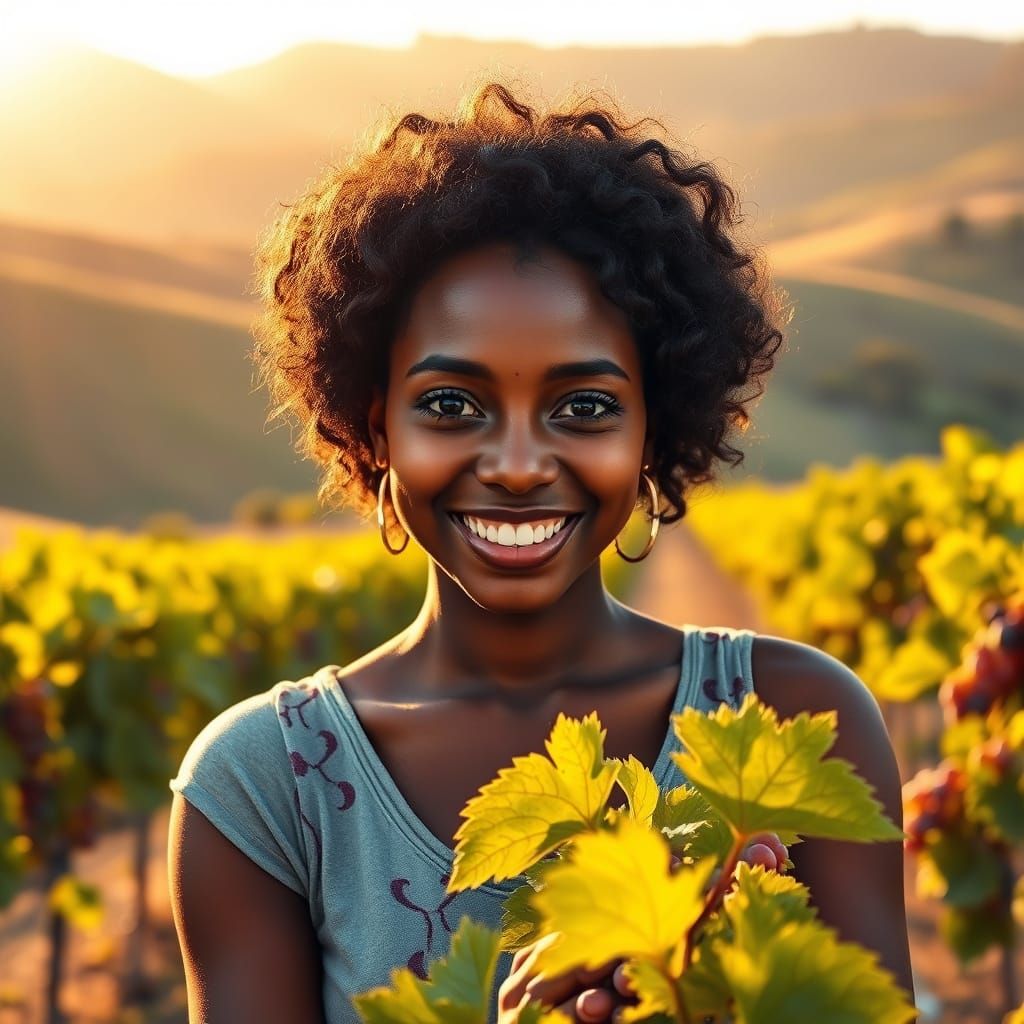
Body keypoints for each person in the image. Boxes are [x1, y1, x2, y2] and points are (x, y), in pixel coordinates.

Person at [166, 78, 914, 1022]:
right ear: (376, 427)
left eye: (584, 407)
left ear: (653, 432)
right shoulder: (264, 784)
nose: (518, 464)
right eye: (451, 405)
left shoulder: (796, 718)